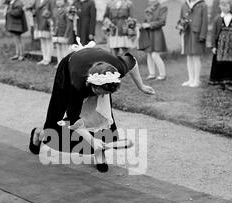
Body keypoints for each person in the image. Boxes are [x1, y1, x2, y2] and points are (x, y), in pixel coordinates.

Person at [28, 44, 155, 173]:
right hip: (69, 69)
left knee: (102, 114)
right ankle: (40, 133)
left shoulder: (116, 68)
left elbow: (131, 61)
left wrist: (141, 86)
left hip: (98, 68)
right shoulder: (76, 85)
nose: (103, 96)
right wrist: (92, 140)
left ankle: (99, 152)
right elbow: (74, 120)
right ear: (91, 85)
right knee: (54, 122)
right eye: (100, 92)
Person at [209, 0, 232, 90]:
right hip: (220, 45)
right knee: (220, 63)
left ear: (230, 6)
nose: (223, 7)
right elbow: (214, 33)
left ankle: (230, 82)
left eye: (226, 5)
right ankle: (221, 81)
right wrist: (213, 46)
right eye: (222, 5)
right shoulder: (217, 18)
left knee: (231, 63)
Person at [177, 0, 208, 87]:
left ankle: (196, 80)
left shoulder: (203, 5)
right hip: (187, 32)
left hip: (197, 33)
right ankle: (190, 79)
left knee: (196, 56)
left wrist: (203, 35)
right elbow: (181, 18)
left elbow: (205, 21)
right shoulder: (184, 4)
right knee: (189, 56)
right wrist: (181, 27)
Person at [140, 0, 168, 81]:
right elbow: (146, 20)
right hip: (148, 33)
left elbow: (162, 21)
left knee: (155, 55)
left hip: (157, 33)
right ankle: (152, 74)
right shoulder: (148, 8)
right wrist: (142, 25)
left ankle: (163, 75)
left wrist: (149, 25)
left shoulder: (163, 7)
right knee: (149, 54)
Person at [31, 0, 54, 65]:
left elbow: (52, 10)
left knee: (48, 41)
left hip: (46, 22)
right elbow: (34, 10)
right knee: (42, 41)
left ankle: (48, 59)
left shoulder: (50, 1)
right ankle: (44, 58)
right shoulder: (37, 1)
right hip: (39, 22)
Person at [52, 0, 73, 66]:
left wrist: (66, 33)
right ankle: (59, 62)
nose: (58, 2)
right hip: (57, 32)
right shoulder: (55, 10)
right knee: (58, 48)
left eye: (60, 0)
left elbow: (69, 23)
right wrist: (53, 30)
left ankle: (65, 63)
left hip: (63, 32)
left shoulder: (66, 10)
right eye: (57, 1)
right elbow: (54, 22)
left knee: (65, 49)